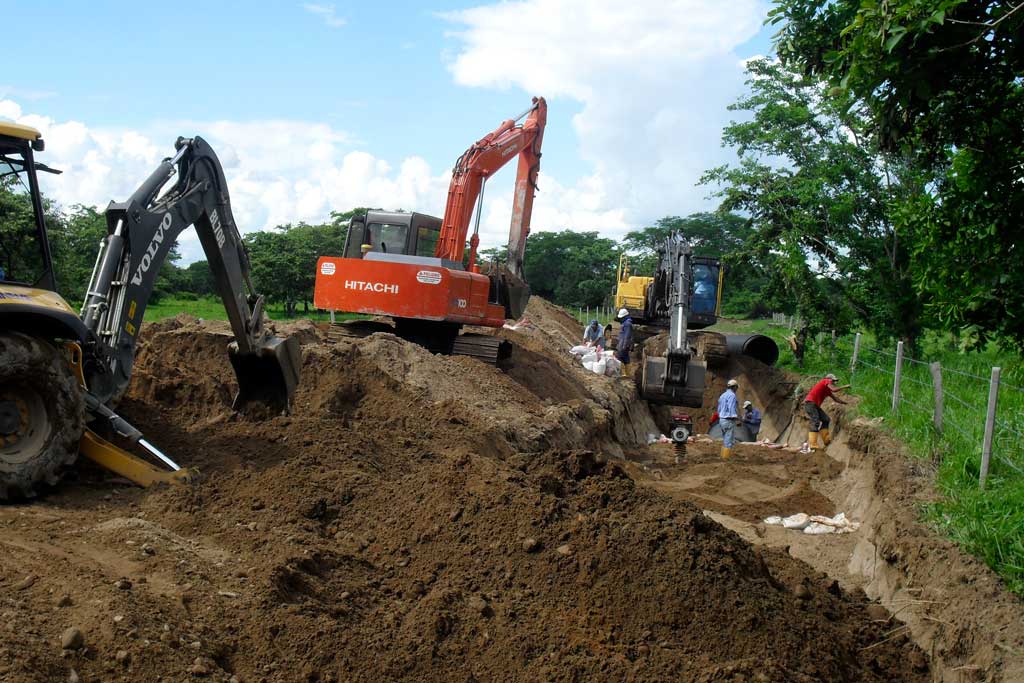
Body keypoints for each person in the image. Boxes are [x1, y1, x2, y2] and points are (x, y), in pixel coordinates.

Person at [804, 373, 847, 451]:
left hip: (814, 405)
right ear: (829, 379)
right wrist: (845, 386)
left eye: (834, 381)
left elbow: (835, 399)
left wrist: (845, 403)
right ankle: (813, 444)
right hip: (810, 403)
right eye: (833, 381)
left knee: (826, 419)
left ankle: (826, 440)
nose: (834, 383)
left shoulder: (827, 390)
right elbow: (834, 389)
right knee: (815, 420)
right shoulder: (825, 380)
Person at [717, 378, 740, 459]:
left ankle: (723, 456)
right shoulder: (732, 395)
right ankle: (725, 459)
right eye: (736, 387)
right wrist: (736, 418)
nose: (736, 389)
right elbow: (731, 407)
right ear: (734, 387)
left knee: (725, 439)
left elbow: (719, 409)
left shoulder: (722, 395)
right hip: (728, 420)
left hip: (721, 420)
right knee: (728, 440)